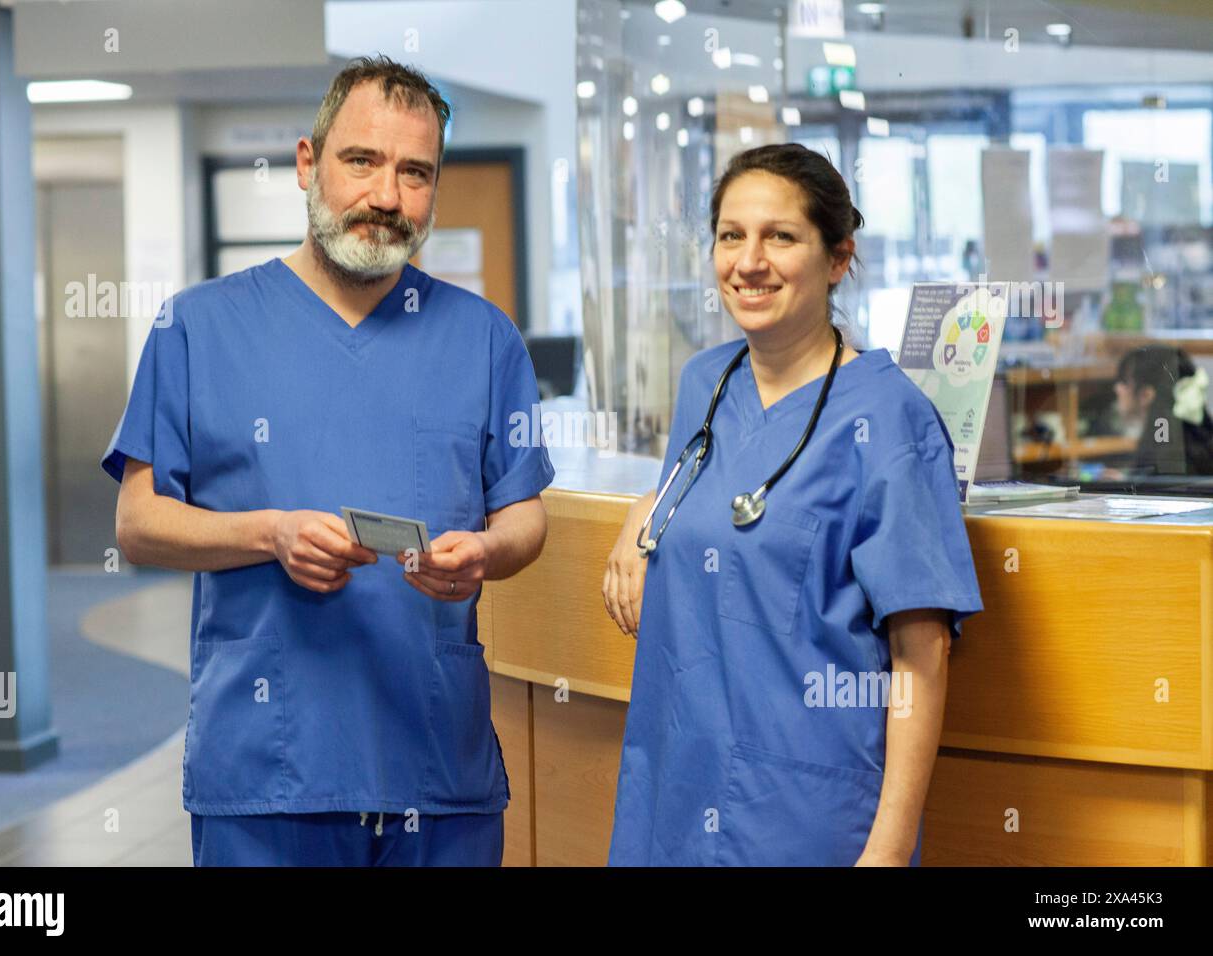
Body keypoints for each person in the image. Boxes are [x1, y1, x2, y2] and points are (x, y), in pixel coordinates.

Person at [101, 55, 554, 867]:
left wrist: (488, 551)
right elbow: (137, 525)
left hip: (437, 768)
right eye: (362, 161)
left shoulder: (485, 340)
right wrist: (269, 533)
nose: (387, 196)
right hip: (270, 771)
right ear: (308, 165)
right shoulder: (196, 330)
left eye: (416, 172)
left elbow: (524, 515)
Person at [601, 144, 983, 866]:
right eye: (731, 235)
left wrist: (891, 848)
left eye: (781, 236)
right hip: (677, 794)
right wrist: (645, 512)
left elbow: (922, 653)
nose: (750, 261)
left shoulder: (888, 420)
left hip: (808, 813)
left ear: (839, 258)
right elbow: (712, 502)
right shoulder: (704, 384)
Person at [1104, 344, 1213, 479]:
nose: (1118, 388)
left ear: (1146, 395)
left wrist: (1129, 484)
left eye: (1124, 382)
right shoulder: (1193, 445)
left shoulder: (1165, 454)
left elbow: (1162, 487)